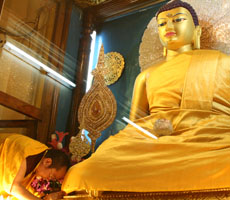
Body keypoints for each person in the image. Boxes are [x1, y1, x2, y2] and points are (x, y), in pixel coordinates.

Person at [62, 0, 230, 196]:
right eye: (162, 23)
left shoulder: (223, 62)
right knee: (84, 172)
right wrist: (154, 128)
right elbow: (134, 125)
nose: (169, 26)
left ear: (197, 32)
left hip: (211, 143)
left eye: (178, 19)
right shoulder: (146, 75)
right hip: (153, 145)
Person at [0, 133, 70, 200]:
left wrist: (47, 198)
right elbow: (14, 188)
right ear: (47, 162)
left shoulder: (37, 163)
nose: (48, 179)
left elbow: (26, 193)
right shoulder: (26, 151)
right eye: (52, 176)